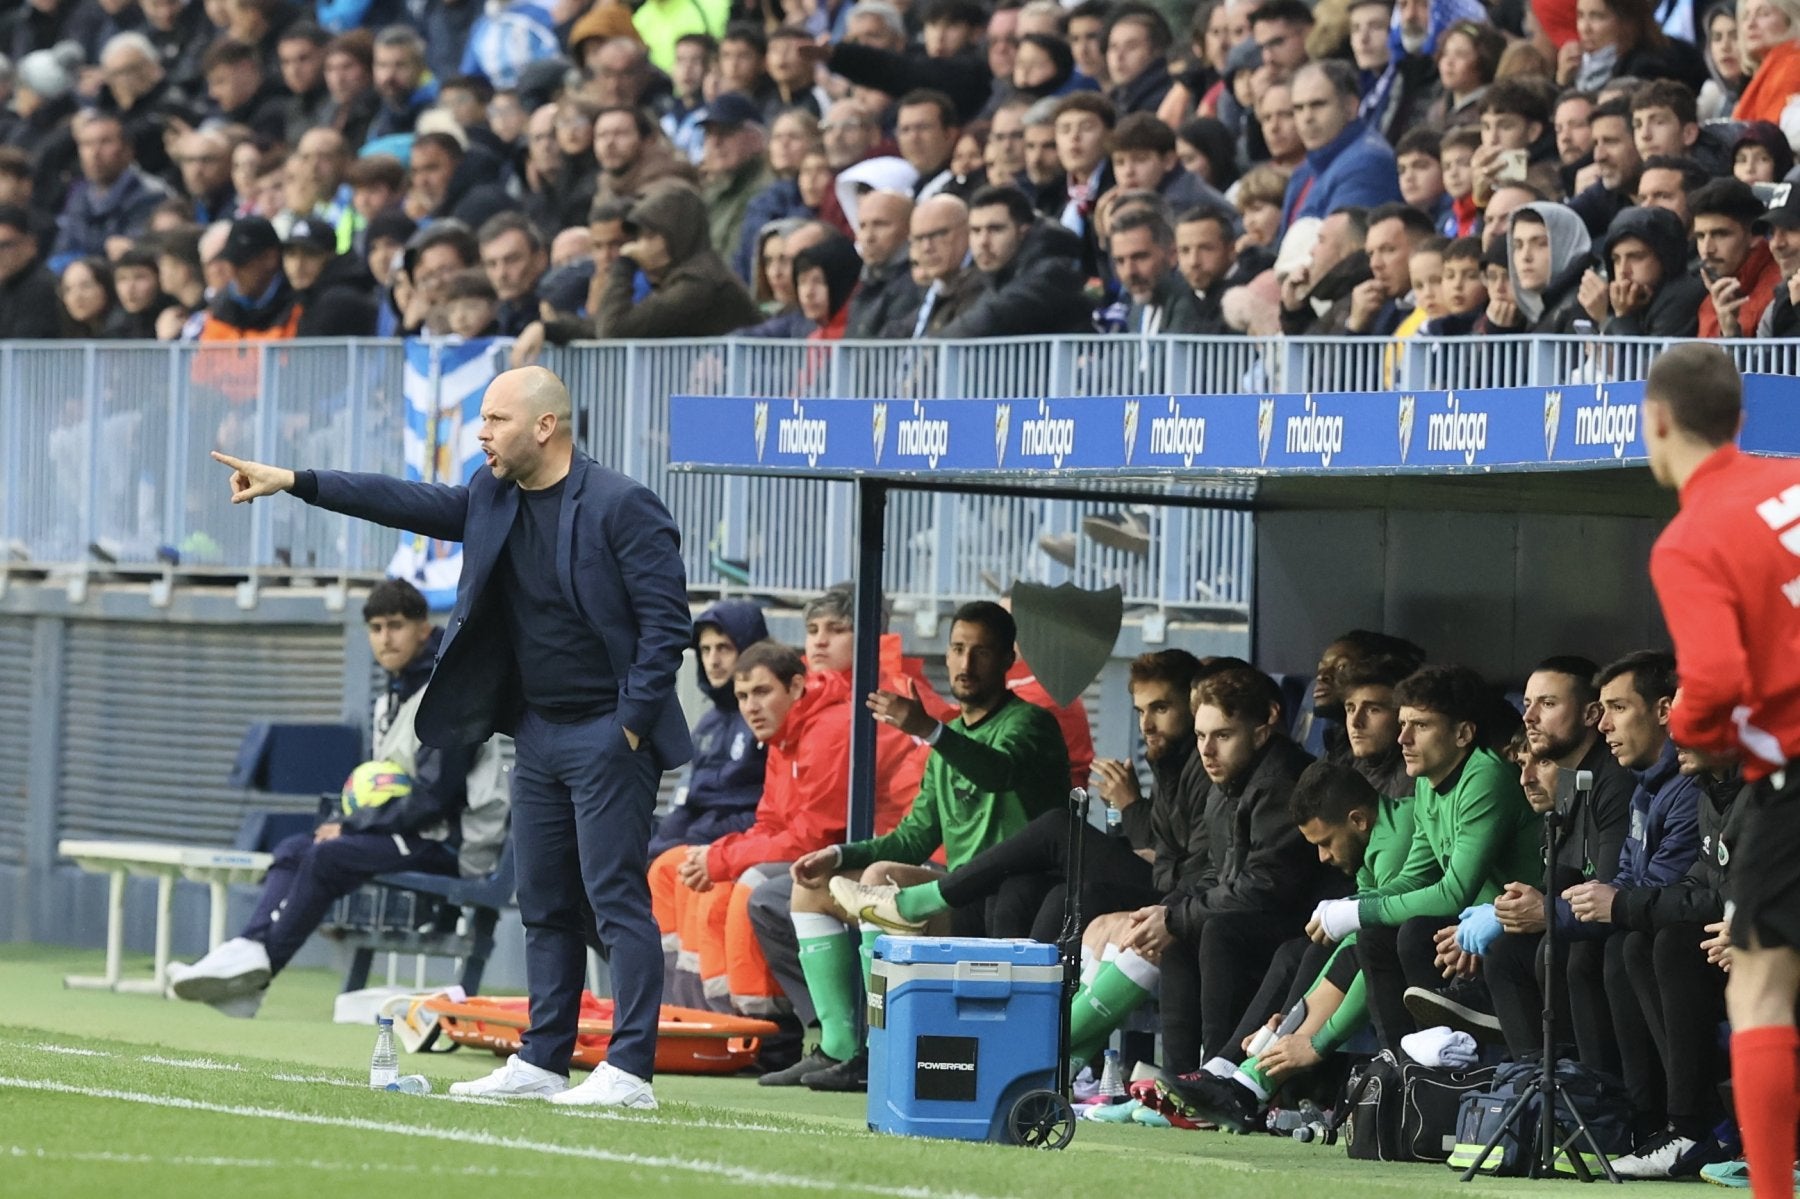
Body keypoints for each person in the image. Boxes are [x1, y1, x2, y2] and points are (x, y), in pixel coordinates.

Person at [210, 364, 694, 1111]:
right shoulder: (492, 494)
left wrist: (628, 729)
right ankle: (542, 1057)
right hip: (535, 732)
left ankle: (629, 1071)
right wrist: (295, 479)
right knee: (544, 903)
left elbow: (667, 628)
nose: (480, 432)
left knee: (613, 899)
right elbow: (400, 500)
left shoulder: (623, 504)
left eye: (496, 419)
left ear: (545, 426)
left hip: (607, 735)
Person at [166, 578, 509, 1017]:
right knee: (294, 848)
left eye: (397, 626)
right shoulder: (392, 697)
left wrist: (352, 825)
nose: (386, 638)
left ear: (424, 629)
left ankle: (256, 969)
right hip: (410, 833)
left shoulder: (450, 694)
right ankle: (248, 952)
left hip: (452, 844)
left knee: (329, 856)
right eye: (377, 628)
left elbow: (435, 797)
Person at [778, 601, 1070, 1091]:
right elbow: (915, 838)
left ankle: (880, 1050)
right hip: (957, 895)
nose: (965, 663)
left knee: (877, 883)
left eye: (981, 652)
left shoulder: (1030, 725)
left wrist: (928, 730)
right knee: (813, 890)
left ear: (1007, 660)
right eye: (957, 649)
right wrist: (839, 855)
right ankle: (841, 1046)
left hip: (1014, 899)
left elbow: (998, 772)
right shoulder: (948, 738)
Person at [1642, 343, 1800, 1199]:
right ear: (1739, 420)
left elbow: (1715, 681)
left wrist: (1697, 732)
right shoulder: (1796, 479)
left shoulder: (1692, 535)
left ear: (1657, 420)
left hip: (1792, 775)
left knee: (1761, 983)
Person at [1154, 760, 1422, 1130]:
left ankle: (1247, 1085)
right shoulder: (1375, 841)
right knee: (1307, 950)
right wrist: (1296, 1019)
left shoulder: (1392, 843)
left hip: (1442, 947)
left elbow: (1370, 951)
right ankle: (1231, 1075)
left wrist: (1315, 1040)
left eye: (1325, 842)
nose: (1322, 857)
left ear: (1358, 820)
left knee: (1352, 944)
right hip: (1402, 943)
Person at [1313, 664, 1540, 1050]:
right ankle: (1401, 1065)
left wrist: (1355, 913)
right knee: (1375, 938)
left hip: (1512, 922)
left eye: (1420, 725)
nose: (1402, 738)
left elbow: (1453, 893)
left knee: (1415, 933)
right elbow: (1415, 877)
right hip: (1477, 917)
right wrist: (1355, 904)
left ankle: (1445, 1063)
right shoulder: (1426, 781)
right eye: (1402, 724)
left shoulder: (1485, 777)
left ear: (1462, 733)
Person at [649, 600, 770, 857]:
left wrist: (692, 838)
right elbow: (688, 801)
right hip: (698, 832)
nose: (713, 660)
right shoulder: (708, 723)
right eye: (705, 650)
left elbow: (767, 809)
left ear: (749, 648)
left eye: (723, 648)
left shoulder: (769, 715)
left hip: (735, 843)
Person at [592, 182, 760, 339]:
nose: (639, 246)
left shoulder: (699, 283)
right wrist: (567, 327)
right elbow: (606, 326)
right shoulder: (686, 277)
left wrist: (624, 265)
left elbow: (614, 329)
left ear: (678, 236)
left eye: (650, 236)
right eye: (639, 237)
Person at [933, 184, 1090, 337]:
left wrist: (931, 348)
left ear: (1023, 231)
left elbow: (992, 317)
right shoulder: (994, 273)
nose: (983, 242)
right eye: (975, 231)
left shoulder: (1052, 271)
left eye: (995, 229)